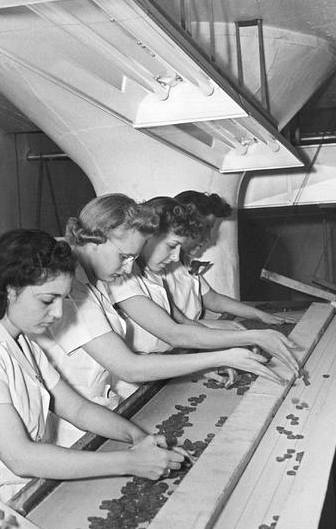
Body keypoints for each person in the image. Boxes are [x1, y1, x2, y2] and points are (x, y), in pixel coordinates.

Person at [0, 229, 184, 501]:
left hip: (25, 491)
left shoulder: (21, 342)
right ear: (10, 291)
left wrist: (137, 437)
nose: (59, 313)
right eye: (48, 300)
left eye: (63, 299)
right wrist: (130, 463)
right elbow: (20, 458)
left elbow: (77, 408)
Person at [35, 194, 286, 445]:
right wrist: (222, 355)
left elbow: (171, 331)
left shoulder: (96, 279)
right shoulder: (70, 291)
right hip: (73, 429)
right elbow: (129, 367)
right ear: (97, 239)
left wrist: (201, 365)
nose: (127, 269)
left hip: (102, 410)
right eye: (124, 257)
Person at [103, 196, 300, 368]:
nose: (175, 257)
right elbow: (174, 333)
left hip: (167, 359)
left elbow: (185, 322)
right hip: (143, 369)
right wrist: (249, 339)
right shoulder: (123, 276)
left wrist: (218, 354)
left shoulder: (154, 273)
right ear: (149, 236)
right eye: (171, 246)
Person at [172, 190, 284, 326]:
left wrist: (260, 315)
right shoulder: (159, 267)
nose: (208, 238)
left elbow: (213, 300)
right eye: (205, 228)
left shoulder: (184, 264)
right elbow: (174, 328)